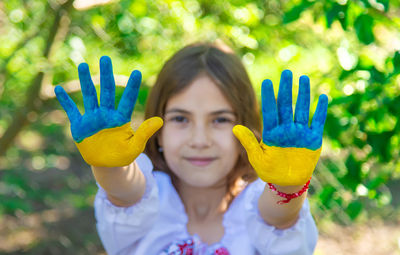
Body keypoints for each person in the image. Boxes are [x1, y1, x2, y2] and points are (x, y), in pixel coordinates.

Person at [54, 42, 328, 255]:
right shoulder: (148, 197)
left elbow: (278, 217)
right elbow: (125, 191)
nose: (200, 139)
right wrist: (110, 165)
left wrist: (288, 188)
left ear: (246, 129)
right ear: (158, 131)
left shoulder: (257, 202)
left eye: (220, 119)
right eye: (181, 119)